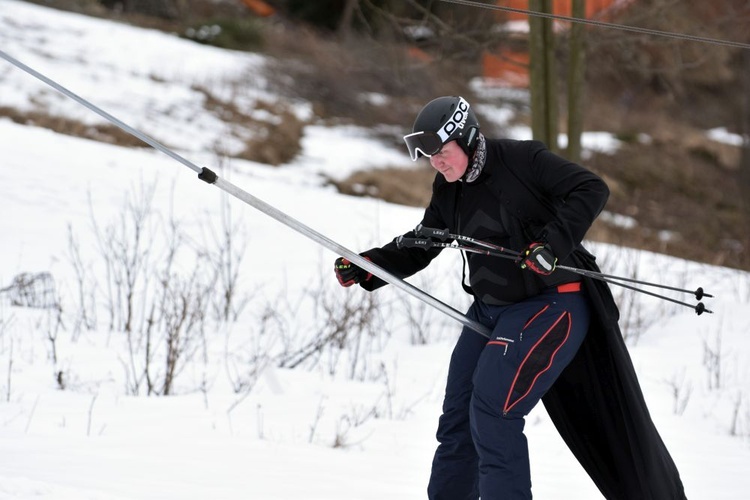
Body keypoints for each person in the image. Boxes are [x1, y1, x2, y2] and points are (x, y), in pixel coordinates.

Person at [334, 96, 686, 500]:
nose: (437, 163)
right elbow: (423, 242)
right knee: (458, 418)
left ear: (466, 139)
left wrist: (551, 245)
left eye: (443, 153)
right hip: (491, 310)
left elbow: (591, 188)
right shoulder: (448, 187)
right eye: (430, 157)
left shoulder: (522, 161)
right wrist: (369, 265)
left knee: (493, 410)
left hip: (552, 304)